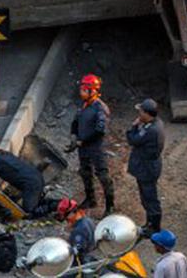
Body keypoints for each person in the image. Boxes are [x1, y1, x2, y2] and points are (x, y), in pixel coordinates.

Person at [69, 74, 114, 214]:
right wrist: (73, 136)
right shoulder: (84, 105)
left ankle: (110, 205)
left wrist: (83, 140)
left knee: (103, 176)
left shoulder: (100, 108)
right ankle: (90, 199)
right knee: (85, 173)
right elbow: (76, 122)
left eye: (84, 90)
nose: (81, 92)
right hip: (83, 147)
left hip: (96, 148)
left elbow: (100, 131)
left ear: (92, 91)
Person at [127, 97, 165, 233]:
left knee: (150, 198)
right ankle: (150, 224)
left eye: (141, 112)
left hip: (147, 169)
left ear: (147, 114)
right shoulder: (156, 124)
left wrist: (133, 126)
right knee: (147, 197)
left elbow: (133, 140)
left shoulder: (151, 130)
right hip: (148, 166)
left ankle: (154, 227)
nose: (139, 114)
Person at [0, 147, 45, 217]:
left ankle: (48, 209)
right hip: (37, 177)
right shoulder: (5, 154)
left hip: (31, 184)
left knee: (28, 211)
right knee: (33, 203)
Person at [58, 198, 96, 265]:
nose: (67, 220)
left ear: (72, 213)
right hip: (91, 253)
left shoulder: (78, 230)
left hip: (82, 261)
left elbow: (78, 250)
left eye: (66, 217)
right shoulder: (88, 220)